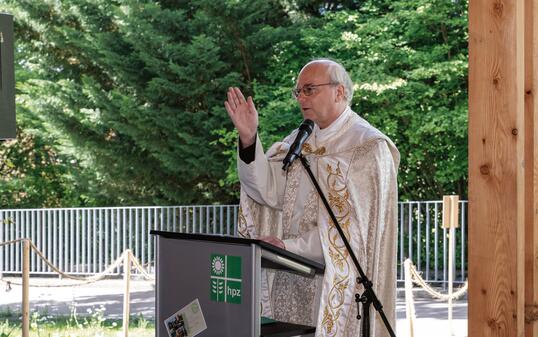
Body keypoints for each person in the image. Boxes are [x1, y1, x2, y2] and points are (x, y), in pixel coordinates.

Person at [224, 59, 399, 337]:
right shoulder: (300, 140)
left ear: (339, 92)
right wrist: (248, 138)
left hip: (341, 284)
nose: (301, 98)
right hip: (293, 275)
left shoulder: (367, 148)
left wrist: (288, 245)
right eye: (298, 92)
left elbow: (352, 233)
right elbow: (266, 190)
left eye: (309, 89)